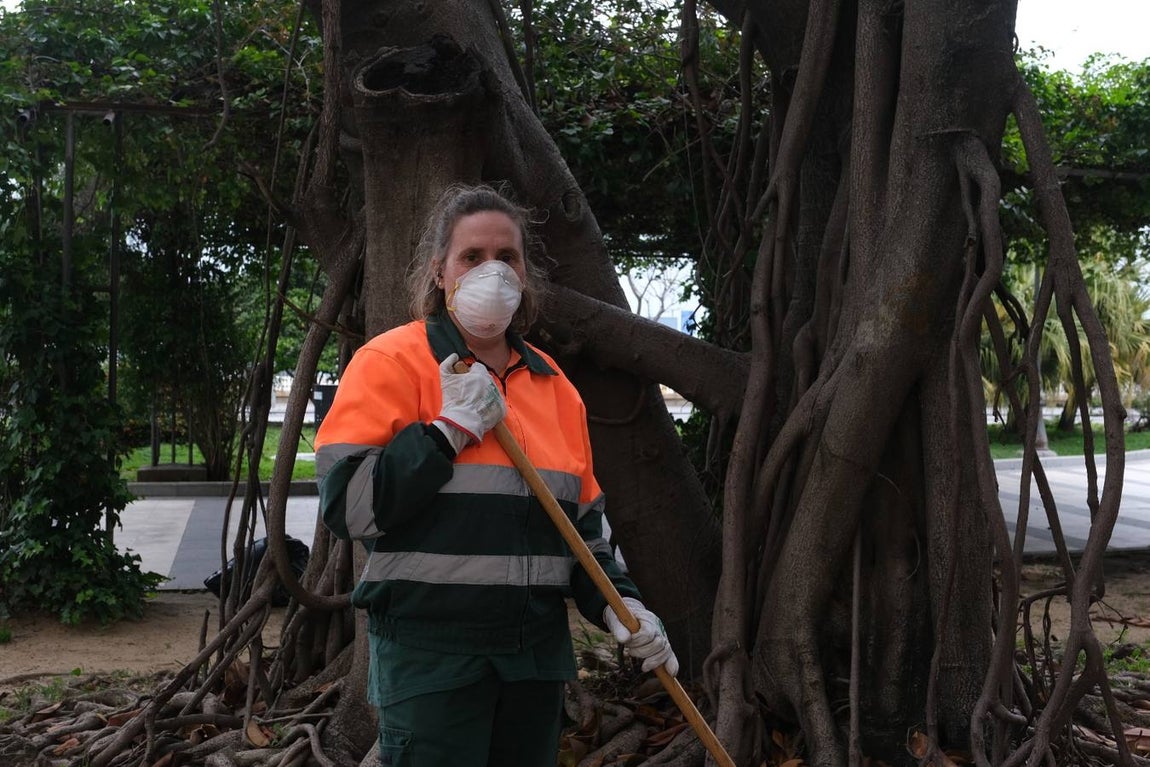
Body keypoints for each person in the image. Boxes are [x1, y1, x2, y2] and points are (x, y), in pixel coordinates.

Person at [314, 184, 678, 766]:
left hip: (533, 658)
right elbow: (350, 507)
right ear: (440, 273)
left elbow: (581, 530)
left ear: (526, 273)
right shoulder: (390, 363)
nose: (493, 272)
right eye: (472, 257)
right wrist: (446, 432)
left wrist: (621, 607)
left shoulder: (555, 387)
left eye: (507, 257)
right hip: (431, 659)